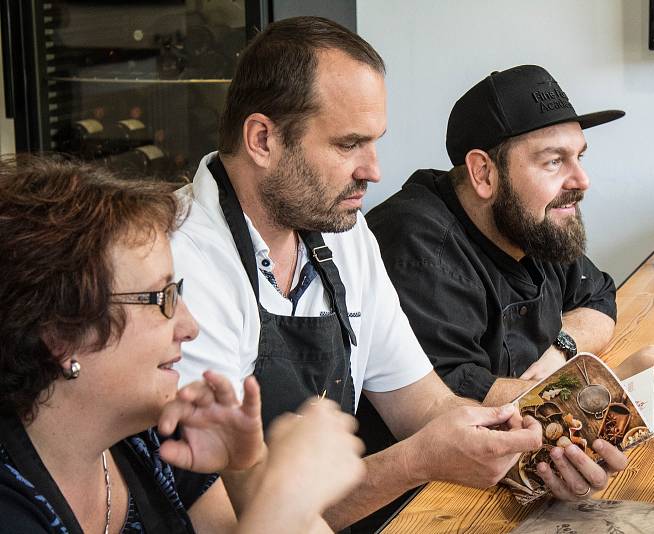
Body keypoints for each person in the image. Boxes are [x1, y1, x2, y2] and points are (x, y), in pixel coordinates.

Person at [171, 17, 627, 531]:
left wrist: (545, 455)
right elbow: (234, 524)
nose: (374, 170)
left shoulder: (344, 236)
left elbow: (425, 405)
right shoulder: (182, 269)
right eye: (348, 145)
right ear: (262, 139)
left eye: (375, 142)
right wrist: (414, 461)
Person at [0, 156, 365, 533]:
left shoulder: (150, 442)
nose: (190, 327)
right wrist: (289, 496)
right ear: (60, 337)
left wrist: (246, 463)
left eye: (178, 292)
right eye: (162, 299)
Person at [366, 64, 654, 414]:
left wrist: (562, 350)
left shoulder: (532, 221)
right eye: (554, 161)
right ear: (483, 173)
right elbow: (454, 402)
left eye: (579, 156)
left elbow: (598, 298)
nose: (581, 179)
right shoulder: (418, 248)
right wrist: (614, 393)